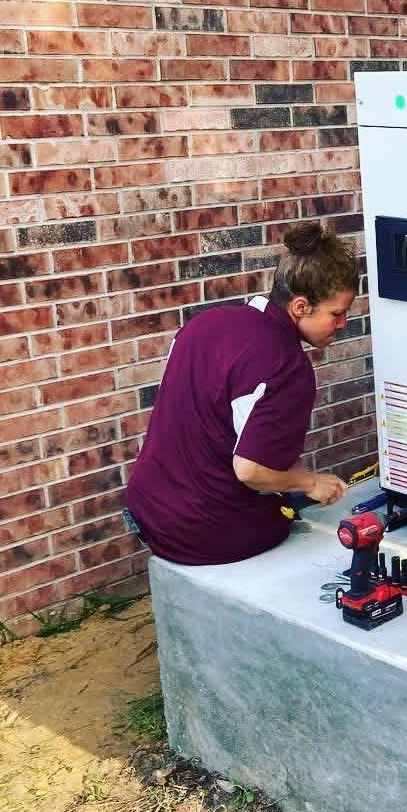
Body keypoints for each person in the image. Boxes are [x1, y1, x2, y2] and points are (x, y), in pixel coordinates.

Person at [125, 221, 358, 565]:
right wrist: (309, 483)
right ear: (300, 307)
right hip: (202, 531)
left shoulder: (205, 324)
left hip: (147, 509)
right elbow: (250, 471)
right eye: (337, 313)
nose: (343, 324)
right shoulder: (288, 368)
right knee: (294, 517)